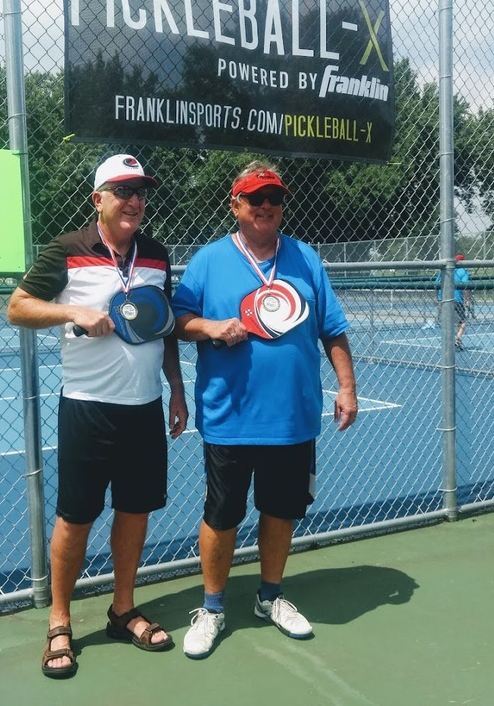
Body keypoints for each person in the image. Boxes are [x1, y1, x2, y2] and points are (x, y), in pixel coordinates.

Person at [7, 154, 188, 678]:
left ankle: (121, 609)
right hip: (87, 407)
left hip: (145, 408)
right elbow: (17, 307)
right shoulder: (67, 250)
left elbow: (165, 325)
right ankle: (60, 623)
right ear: (98, 200)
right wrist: (71, 310)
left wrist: (176, 387)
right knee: (76, 517)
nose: (135, 201)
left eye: (141, 192)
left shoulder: (156, 255)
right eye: (123, 190)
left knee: (135, 511)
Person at [171, 160, 359, 659]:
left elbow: (332, 329)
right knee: (223, 513)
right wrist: (211, 328)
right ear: (235, 205)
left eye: (274, 198)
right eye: (255, 199)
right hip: (230, 416)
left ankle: (270, 597)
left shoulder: (306, 259)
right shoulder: (209, 261)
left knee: (280, 511)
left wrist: (347, 387)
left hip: (293, 417)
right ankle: (212, 607)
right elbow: (179, 320)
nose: (266, 207)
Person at [435, 253, 472, 350]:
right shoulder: (463, 271)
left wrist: (438, 299)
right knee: (462, 321)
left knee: (448, 321)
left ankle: (448, 342)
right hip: (457, 300)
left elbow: (436, 285)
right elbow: (465, 287)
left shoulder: (444, 270)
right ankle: (457, 340)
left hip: (443, 299)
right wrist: (468, 300)